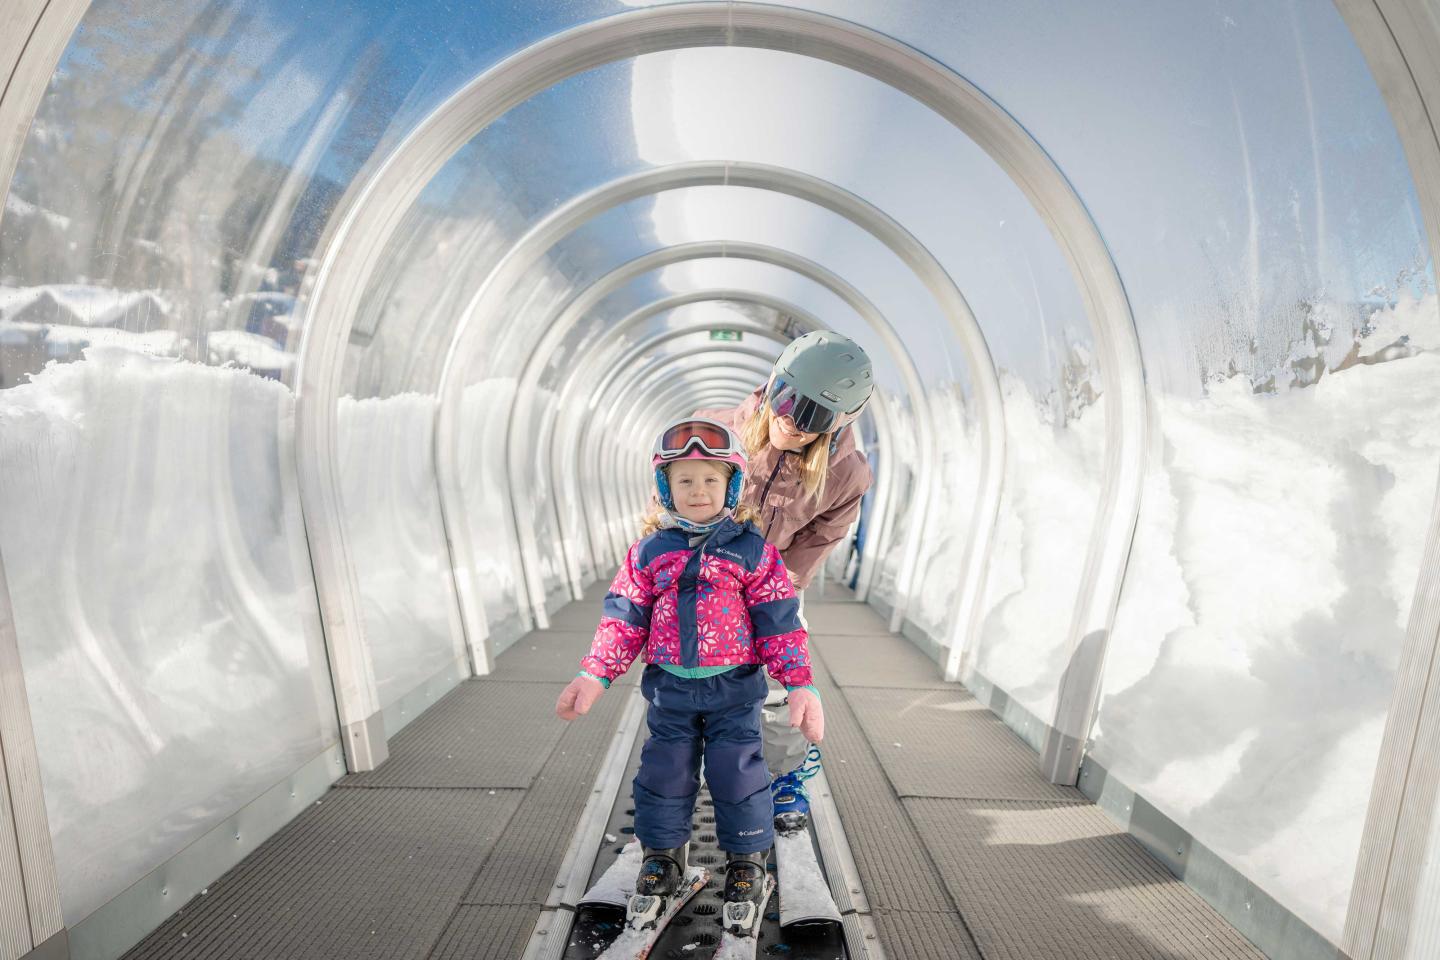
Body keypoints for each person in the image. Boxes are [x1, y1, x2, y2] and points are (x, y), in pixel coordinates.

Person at [554, 417, 824, 932]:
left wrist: (799, 683)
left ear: (731, 485)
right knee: (663, 774)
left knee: (738, 774)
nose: (697, 491)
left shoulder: (752, 553)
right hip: (672, 691)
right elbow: (623, 618)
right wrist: (594, 675)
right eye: (684, 480)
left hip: (734, 691)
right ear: (665, 489)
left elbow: (780, 624)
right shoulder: (649, 553)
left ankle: (746, 863)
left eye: (709, 479)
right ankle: (662, 858)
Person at [693, 330, 875, 801]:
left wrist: (774, 596)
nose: (791, 420)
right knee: (688, 674)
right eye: (786, 396)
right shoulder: (712, 434)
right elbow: (666, 508)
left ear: (836, 423)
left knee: (780, 679)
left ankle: (782, 776)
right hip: (701, 579)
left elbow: (821, 538)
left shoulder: (845, 474)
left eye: (812, 412)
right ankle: (686, 771)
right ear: (772, 384)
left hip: (773, 582)